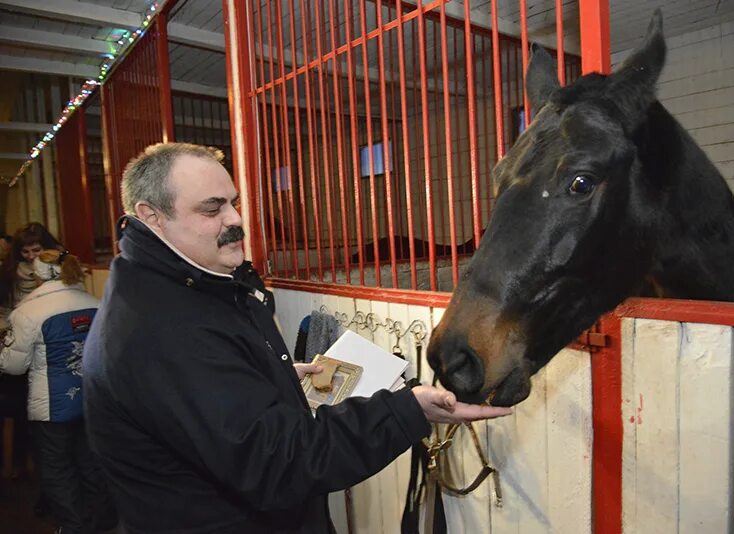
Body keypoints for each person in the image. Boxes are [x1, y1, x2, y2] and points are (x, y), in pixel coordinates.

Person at [82, 142, 511, 533]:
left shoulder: (190, 285)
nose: (235, 220)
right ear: (152, 216)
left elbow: (216, 402)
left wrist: (271, 373)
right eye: (212, 209)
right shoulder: (162, 328)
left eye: (233, 202)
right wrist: (406, 412)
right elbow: (278, 463)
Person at [0, 249, 117, 533]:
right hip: (90, 399)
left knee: (57, 468)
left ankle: (73, 526)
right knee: (90, 462)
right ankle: (101, 522)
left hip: (51, 405)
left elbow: (13, 366)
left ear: (38, 274)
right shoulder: (94, 303)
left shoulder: (27, 312)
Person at [0, 222, 63, 311]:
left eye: (36, 250)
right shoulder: (9, 269)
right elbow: (5, 306)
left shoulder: (62, 267)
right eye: (25, 252)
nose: (31, 256)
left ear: (47, 248)